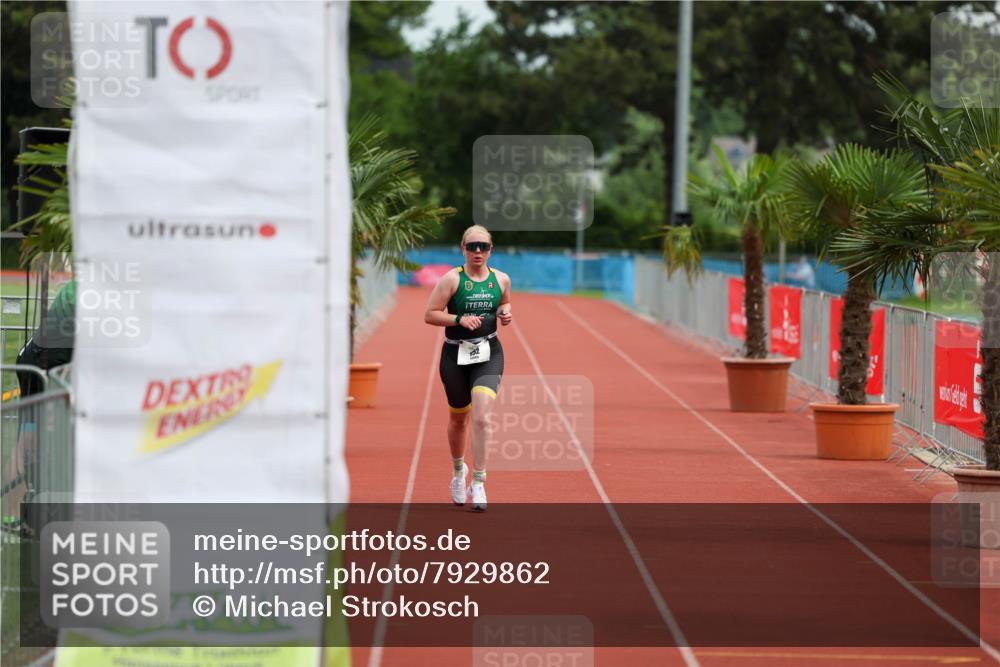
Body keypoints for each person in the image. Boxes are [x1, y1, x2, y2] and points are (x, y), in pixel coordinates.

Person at [424, 225, 512, 511]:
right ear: (462, 248)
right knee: (459, 419)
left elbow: (505, 304)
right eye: (472, 246)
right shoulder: (451, 280)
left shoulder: (501, 279)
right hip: (455, 355)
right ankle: (458, 472)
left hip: (489, 352)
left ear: (491, 250)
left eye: (483, 246)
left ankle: (479, 481)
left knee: (483, 418)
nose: (477, 251)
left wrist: (505, 313)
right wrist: (458, 319)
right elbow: (430, 315)